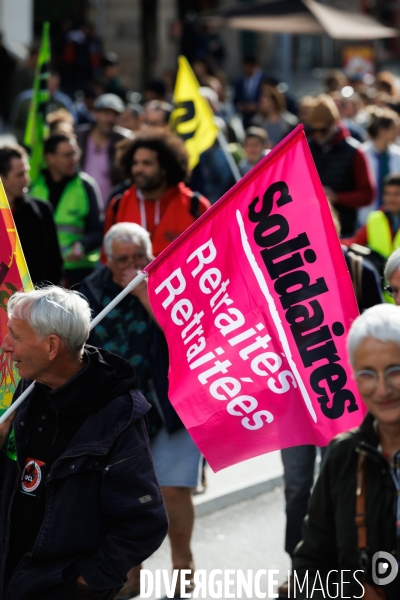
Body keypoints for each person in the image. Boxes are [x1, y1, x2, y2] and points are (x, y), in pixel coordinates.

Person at [0, 286, 168, 600]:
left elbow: (145, 521)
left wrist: (85, 582)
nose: (6, 346)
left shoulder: (117, 415)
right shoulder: (23, 389)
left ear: (51, 346)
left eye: (16, 336)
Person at [80, 223, 202, 598]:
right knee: (126, 498)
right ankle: (131, 573)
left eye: (139, 258)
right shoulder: (88, 294)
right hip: (117, 416)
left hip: (170, 409)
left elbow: (187, 334)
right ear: (107, 260)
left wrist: (147, 295)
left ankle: (183, 563)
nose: (131, 266)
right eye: (123, 260)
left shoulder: (170, 284)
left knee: (174, 491)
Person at [294, 304, 400, 600]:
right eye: (367, 374)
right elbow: (312, 563)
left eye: (395, 370)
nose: (382, 389)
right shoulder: (344, 455)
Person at [104, 132, 210, 257]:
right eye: (135, 163)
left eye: (147, 163)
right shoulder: (118, 205)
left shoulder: (195, 205)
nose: (139, 169)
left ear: (165, 168)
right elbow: (107, 260)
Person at [29, 133, 103, 287]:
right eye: (67, 155)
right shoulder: (33, 185)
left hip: (79, 272)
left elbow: (97, 230)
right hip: (40, 270)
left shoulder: (86, 186)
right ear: (50, 158)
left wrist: (82, 244)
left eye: (76, 153)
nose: (74, 159)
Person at [307, 94, 374, 237]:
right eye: (314, 130)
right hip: (312, 229)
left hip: (345, 231)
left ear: (334, 123)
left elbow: (367, 195)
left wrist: (337, 197)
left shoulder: (354, 152)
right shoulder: (305, 149)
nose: (318, 134)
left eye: (323, 130)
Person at [0, 145, 63, 285]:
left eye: (26, 172)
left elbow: (54, 263)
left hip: (35, 300)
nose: (26, 179)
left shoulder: (40, 210)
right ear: (1, 178)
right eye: (19, 174)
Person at [76, 93, 133, 209]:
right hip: (79, 205)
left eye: (115, 115)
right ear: (95, 113)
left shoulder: (124, 141)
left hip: (111, 206)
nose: (110, 119)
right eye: (106, 113)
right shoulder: (79, 136)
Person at [343, 173, 400, 280]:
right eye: (387, 194)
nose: (391, 199)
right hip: (385, 285)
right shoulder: (375, 218)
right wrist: (332, 243)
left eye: (396, 194)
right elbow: (355, 242)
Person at [358, 108, 400, 225]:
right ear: (382, 131)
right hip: (364, 217)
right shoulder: (361, 154)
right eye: (393, 129)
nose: (397, 132)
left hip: (395, 221)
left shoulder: (398, 154)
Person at [10, 71, 75, 144]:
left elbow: (72, 124)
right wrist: (23, 141)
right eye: (48, 85)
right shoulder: (25, 100)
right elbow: (16, 123)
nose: (51, 88)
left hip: (54, 147)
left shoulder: (63, 102)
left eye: (55, 85)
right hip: (29, 144)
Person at [233, 55, 264, 129]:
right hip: (243, 118)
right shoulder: (239, 81)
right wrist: (241, 106)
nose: (247, 70)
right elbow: (235, 100)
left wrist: (256, 106)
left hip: (260, 117)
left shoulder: (265, 80)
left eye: (250, 67)